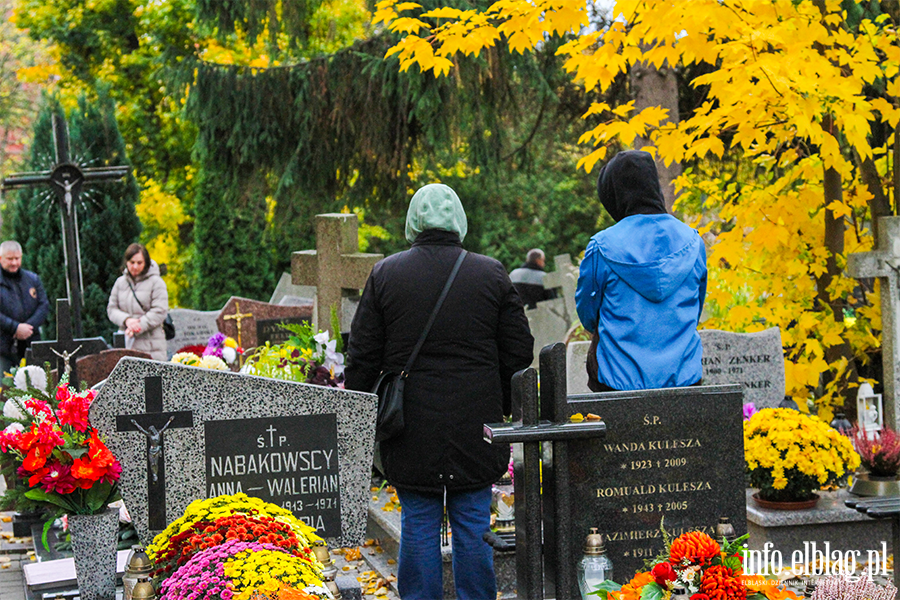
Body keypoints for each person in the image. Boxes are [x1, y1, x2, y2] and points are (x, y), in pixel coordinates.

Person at [345, 183, 533, 600]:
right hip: (475, 420)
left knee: (419, 521)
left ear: (413, 221)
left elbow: (361, 354)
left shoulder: (387, 274)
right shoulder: (490, 273)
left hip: (411, 423)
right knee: (471, 522)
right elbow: (519, 349)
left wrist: (362, 413)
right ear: (459, 221)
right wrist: (501, 402)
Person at [575, 150, 706, 392]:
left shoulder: (602, 246)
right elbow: (696, 309)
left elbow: (587, 314)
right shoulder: (693, 241)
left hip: (616, 379)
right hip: (685, 378)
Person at [107, 243, 169, 361]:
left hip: (152, 344)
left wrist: (138, 326)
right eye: (132, 262)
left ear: (146, 263)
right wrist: (127, 320)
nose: (135, 266)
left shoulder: (156, 282)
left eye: (139, 263)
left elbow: (160, 310)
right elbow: (112, 309)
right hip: (127, 342)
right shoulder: (120, 283)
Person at [0, 240, 50, 375]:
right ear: (1, 258)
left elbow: (44, 305)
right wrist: (15, 327)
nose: (14, 263)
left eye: (17, 258)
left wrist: (27, 327)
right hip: (4, 348)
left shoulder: (32, 279)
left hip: (31, 343)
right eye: (10, 259)